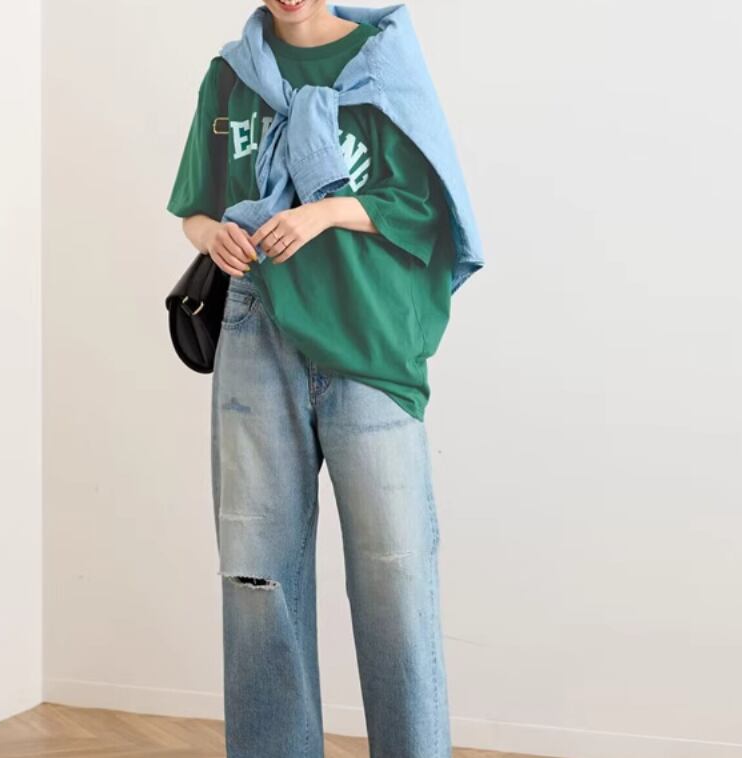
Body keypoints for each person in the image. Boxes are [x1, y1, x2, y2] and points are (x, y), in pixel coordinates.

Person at [167, 2, 466, 756]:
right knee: (257, 576)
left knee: (396, 577)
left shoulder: (384, 64)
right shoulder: (230, 77)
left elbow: (426, 206)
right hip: (256, 332)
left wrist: (325, 212)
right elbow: (195, 210)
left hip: (369, 339)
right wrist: (216, 234)